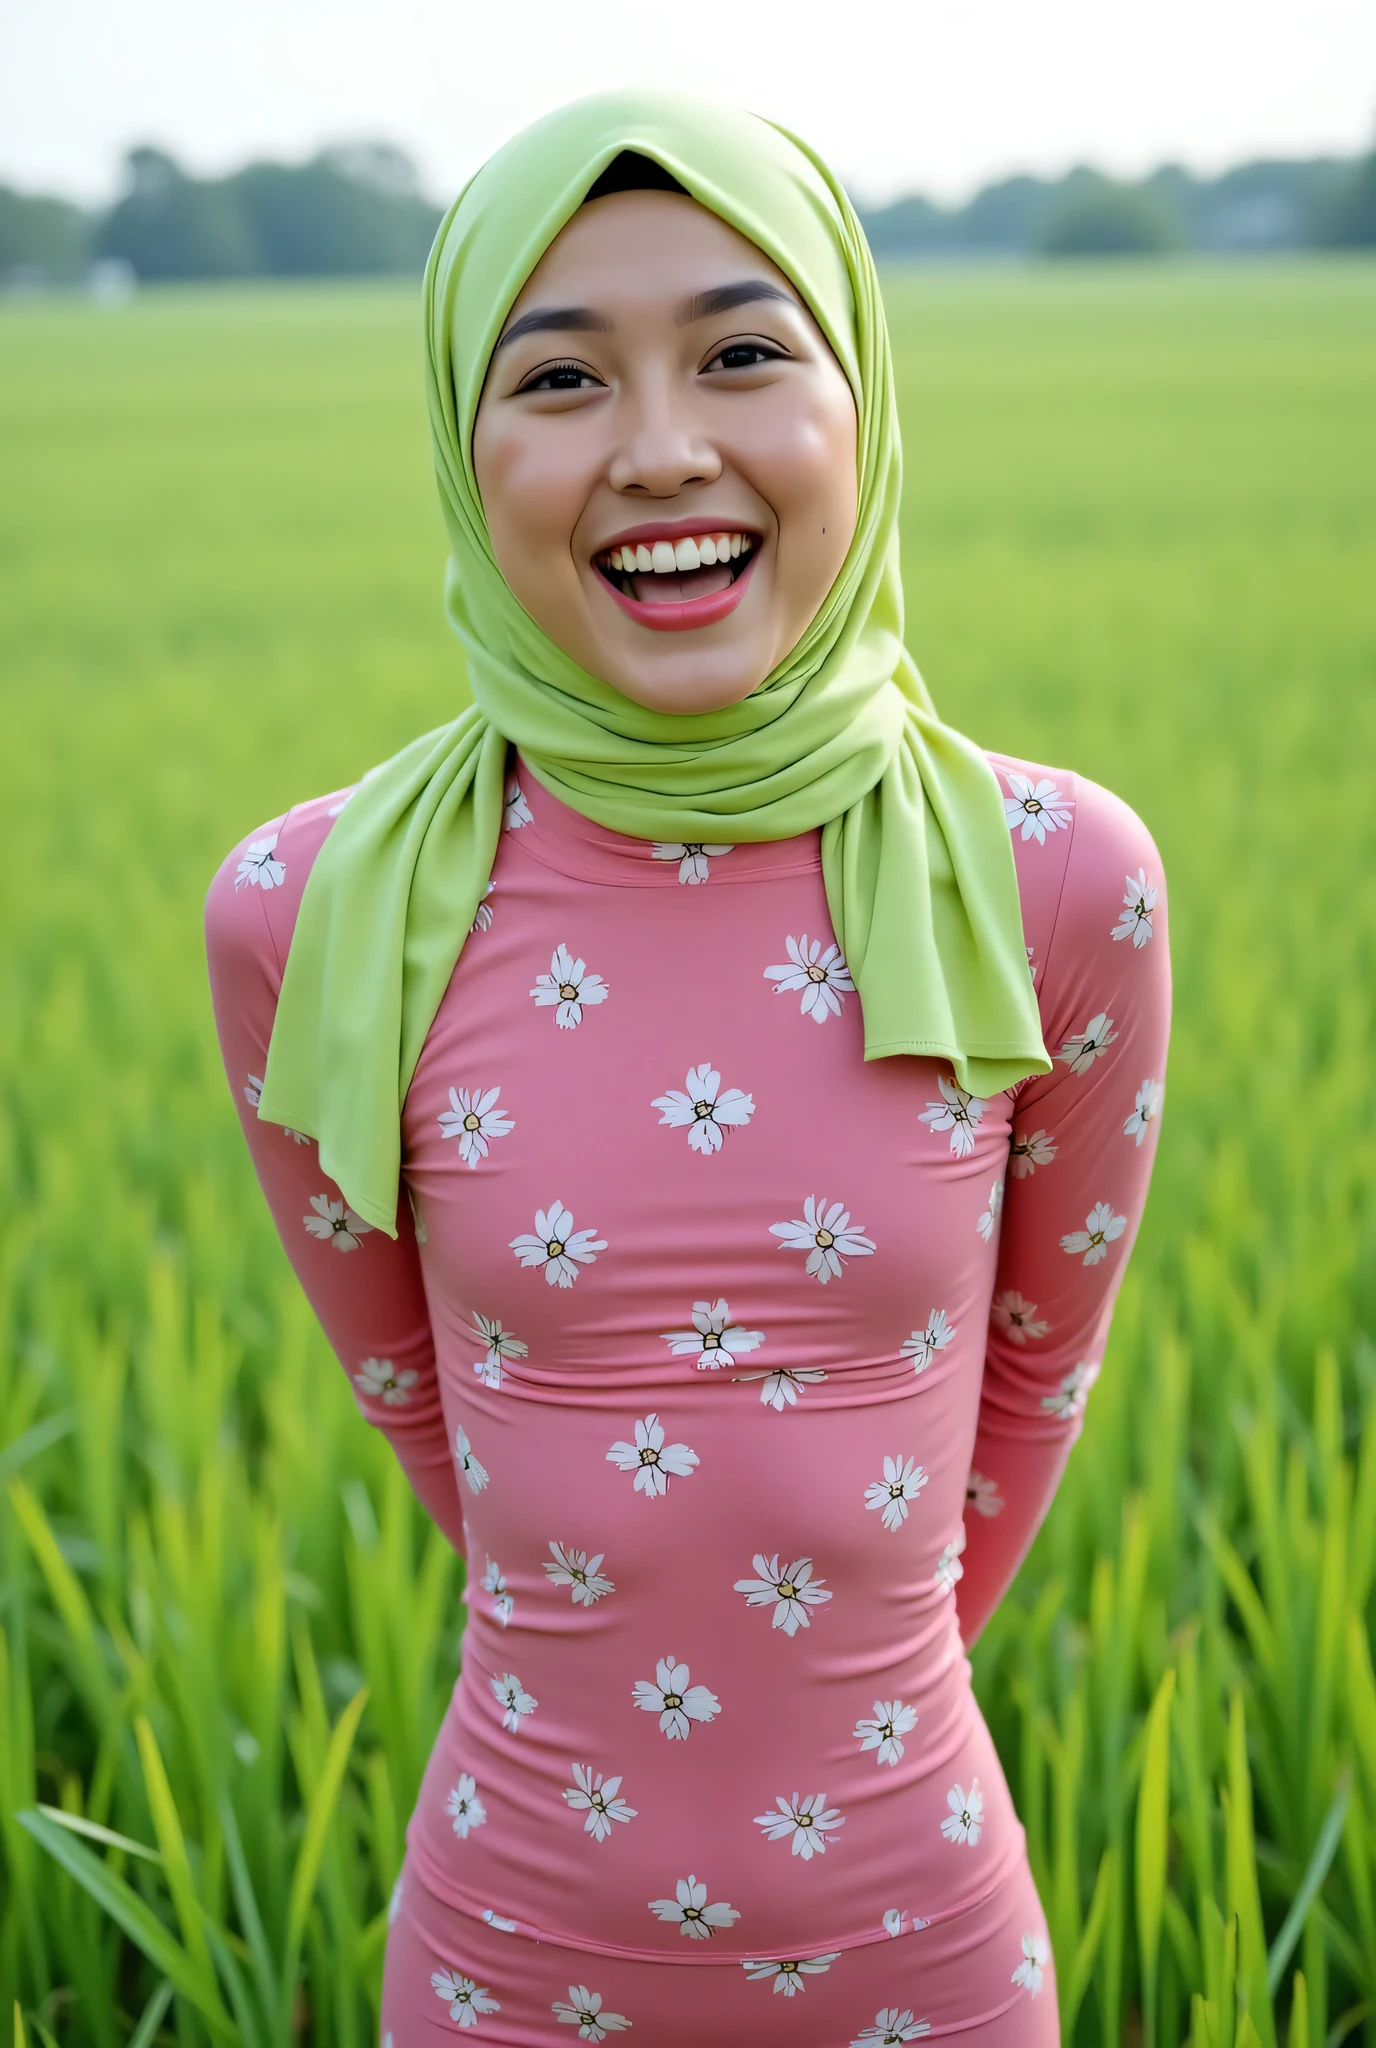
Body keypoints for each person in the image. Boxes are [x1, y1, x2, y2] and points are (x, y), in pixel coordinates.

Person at [205, 90, 1169, 2048]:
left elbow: (1029, 1400)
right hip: (508, 1957)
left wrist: (813, 1730)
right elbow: (433, 1432)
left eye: (742, 351)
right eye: (557, 378)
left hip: (923, 1958)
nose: (660, 450)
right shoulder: (313, 911)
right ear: (466, 453)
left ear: (860, 402)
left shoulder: (1053, 878)